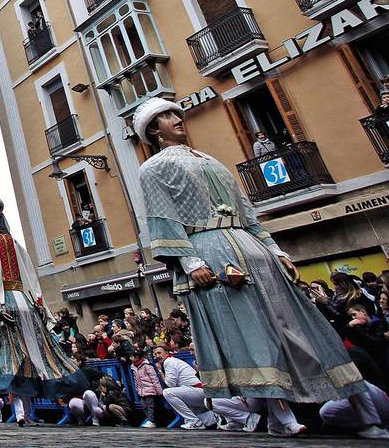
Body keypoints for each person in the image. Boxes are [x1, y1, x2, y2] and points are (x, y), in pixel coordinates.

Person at [135, 97, 377, 438]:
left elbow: (247, 212)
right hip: (211, 252)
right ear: (153, 131)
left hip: (252, 250)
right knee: (254, 336)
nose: (176, 119)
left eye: (176, 113)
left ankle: (356, 408)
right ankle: (282, 416)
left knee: (302, 327)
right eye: (165, 117)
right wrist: (190, 262)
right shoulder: (152, 169)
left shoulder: (211, 160)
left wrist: (276, 250)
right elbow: (162, 218)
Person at [0, 197, 87, 425]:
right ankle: (20, 413)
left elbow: (29, 276)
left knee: (29, 360)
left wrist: (38, 301)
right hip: (0, 307)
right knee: (10, 360)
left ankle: (25, 414)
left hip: (25, 304)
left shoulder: (15, 242)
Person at [130, 348, 162, 428]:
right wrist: (137, 389)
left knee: (150, 406)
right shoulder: (133, 367)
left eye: (132, 356)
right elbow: (136, 379)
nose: (130, 358)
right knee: (144, 406)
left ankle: (151, 420)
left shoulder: (147, 366)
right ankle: (149, 419)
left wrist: (159, 391)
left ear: (137, 357)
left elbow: (154, 378)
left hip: (150, 389)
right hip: (142, 391)